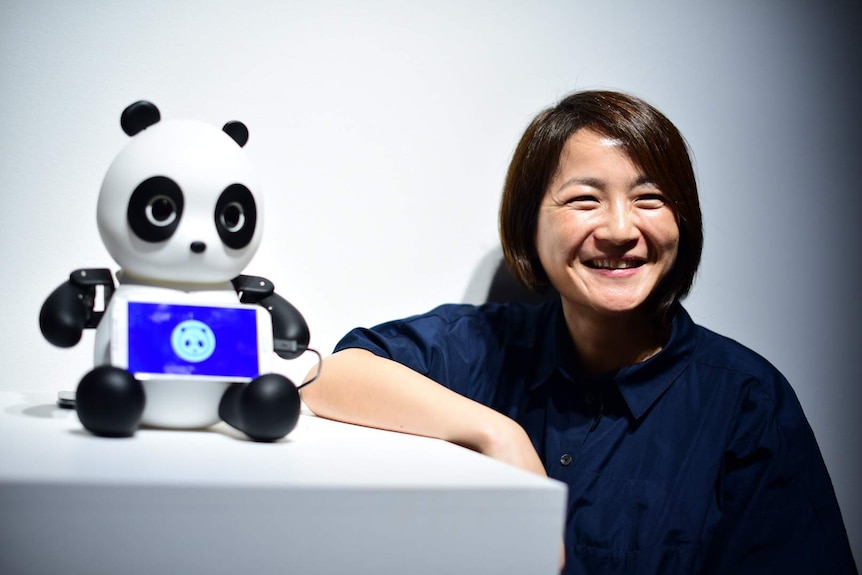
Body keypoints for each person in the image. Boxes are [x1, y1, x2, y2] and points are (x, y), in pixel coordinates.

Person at [300, 90, 856, 574]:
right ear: (529, 227)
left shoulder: (745, 401)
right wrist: (500, 436)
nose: (620, 229)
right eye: (585, 199)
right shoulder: (481, 347)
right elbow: (329, 374)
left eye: (650, 198)